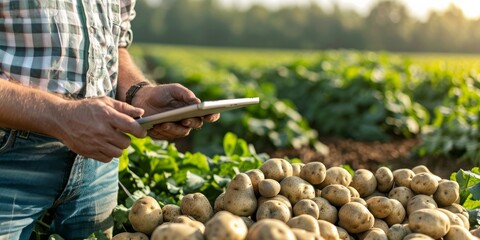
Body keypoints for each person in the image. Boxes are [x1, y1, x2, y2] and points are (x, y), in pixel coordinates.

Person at [0, 1, 219, 239]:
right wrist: (61, 115)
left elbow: (115, 44)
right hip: (10, 159)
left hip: (99, 162)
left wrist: (138, 93)